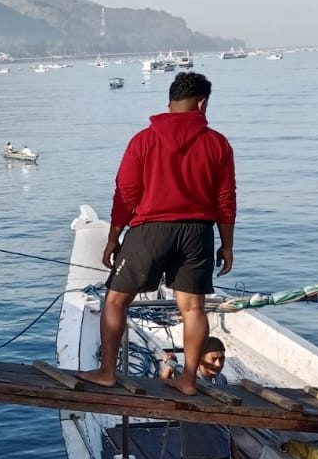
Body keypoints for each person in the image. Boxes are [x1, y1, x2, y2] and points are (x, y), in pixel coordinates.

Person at [80, 71, 236, 397]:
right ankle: (189, 380)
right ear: (203, 103)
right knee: (193, 308)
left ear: (169, 104)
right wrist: (227, 244)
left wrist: (113, 237)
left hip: (150, 229)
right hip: (198, 231)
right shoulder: (217, 143)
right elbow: (226, 197)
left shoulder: (144, 139)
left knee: (116, 301)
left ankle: (108, 372)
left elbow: (126, 192)